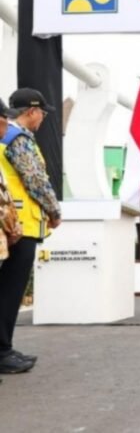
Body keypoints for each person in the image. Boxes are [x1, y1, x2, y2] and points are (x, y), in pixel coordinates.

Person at [0, 88, 61, 375]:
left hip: (9, 225)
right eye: (42, 113)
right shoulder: (18, 139)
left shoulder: (5, 136)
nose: (43, 118)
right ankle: (2, 350)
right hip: (17, 226)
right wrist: (54, 210)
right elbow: (35, 179)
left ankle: (4, 348)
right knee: (10, 290)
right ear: (32, 111)